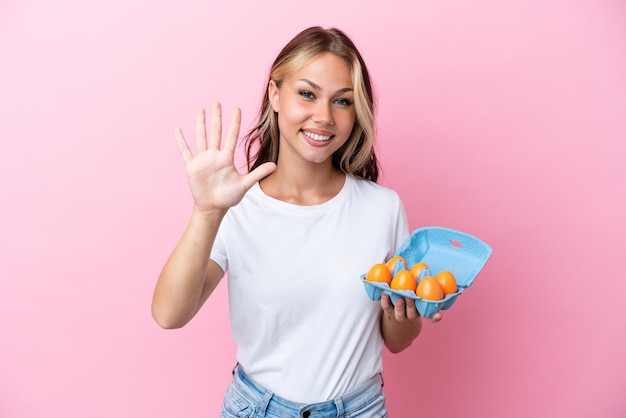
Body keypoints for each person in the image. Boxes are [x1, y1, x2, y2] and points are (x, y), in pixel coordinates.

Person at [152, 26, 442, 418]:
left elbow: (397, 341)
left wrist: (401, 312)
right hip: (257, 408)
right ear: (275, 94)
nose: (323, 117)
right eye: (307, 94)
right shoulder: (235, 205)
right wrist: (206, 211)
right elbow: (169, 315)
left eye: (342, 101)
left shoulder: (382, 208)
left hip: (359, 409)